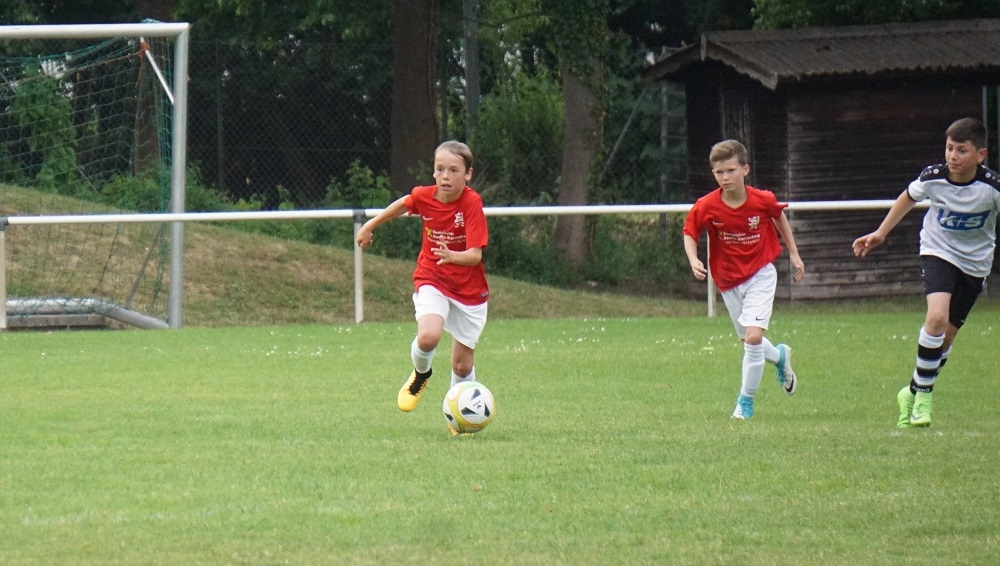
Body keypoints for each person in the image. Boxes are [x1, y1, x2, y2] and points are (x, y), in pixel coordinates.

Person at [852, 117, 1000, 428]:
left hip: (975, 264)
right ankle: (924, 398)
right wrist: (881, 233)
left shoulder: (992, 188)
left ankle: (911, 391)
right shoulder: (933, 177)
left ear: (981, 155)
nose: (953, 156)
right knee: (936, 318)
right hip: (938, 251)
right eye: (949, 148)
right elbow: (908, 197)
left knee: (946, 337)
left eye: (961, 150)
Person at [355, 141, 489, 429]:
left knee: (462, 366)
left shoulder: (471, 203)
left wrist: (453, 256)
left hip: (469, 291)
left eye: (453, 170)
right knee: (428, 337)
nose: (445, 176)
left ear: (468, 174)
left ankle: (460, 418)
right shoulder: (425, 196)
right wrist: (369, 225)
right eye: (440, 169)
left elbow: (475, 255)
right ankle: (421, 374)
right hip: (432, 277)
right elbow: (404, 203)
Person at [683, 139, 806, 420]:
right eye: (719, 172)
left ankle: (745, 403)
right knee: (748, 340)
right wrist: (693, 259)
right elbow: (690, 231)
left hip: (760, 273)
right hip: (727, 280)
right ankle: (780, 357)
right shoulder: (707, 205)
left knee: (753, 338)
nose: (725, 177)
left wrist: (794, 253)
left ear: (745, 169)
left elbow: (778, 216)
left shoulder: (762, 199)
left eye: (731, 170)